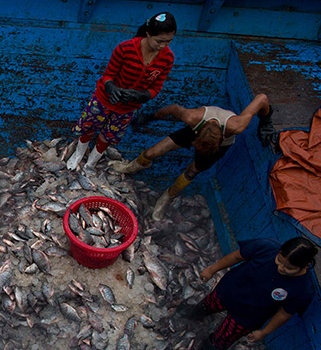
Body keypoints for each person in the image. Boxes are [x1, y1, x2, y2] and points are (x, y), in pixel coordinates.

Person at [110, 94, 272, 221]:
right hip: (196, 132)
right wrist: (151, 117)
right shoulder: (191, 118)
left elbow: (262, 98)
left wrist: (266, 121)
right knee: (152, 152)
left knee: (191, 172)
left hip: (218, 145)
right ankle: (131, 167)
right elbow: (172, 108)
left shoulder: (237, 126)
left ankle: (166, 197)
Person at [66, 12, 177, 172]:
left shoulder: (168, 58)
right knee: (90, 127)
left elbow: (157, 86)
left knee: (108, 135)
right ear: (148, 34)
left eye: (168, 41)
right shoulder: (125, 48)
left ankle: (91, 163)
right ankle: (78, 154)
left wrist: (143, 95)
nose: (163, 46)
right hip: (104, 99)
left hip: (128, 107)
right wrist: (112, 88)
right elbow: (108, 75)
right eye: (159, 41)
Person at [186, 237, 317, 350]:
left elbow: (284, 313)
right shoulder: (266, 246)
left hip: (248, 316)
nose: (281, 268)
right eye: (279, 261)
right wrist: (212, 269)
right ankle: (193, 314)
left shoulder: (303, 290)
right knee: (207, 305)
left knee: (223, 338)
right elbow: (237, 257)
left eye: (289, 268)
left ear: (306, 265)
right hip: (228, 292)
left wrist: (264, 332)